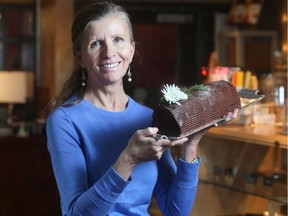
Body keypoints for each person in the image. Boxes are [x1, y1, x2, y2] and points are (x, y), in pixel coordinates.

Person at [46, 2, 238, 216]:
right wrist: (128, 159)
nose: (109, 52)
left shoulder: (148, 117)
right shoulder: (64, 121)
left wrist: (192, 143)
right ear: (79, 57)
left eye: (117, 40)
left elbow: (176, 211)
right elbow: (75, 213)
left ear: (131, 49)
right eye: (95, 44)